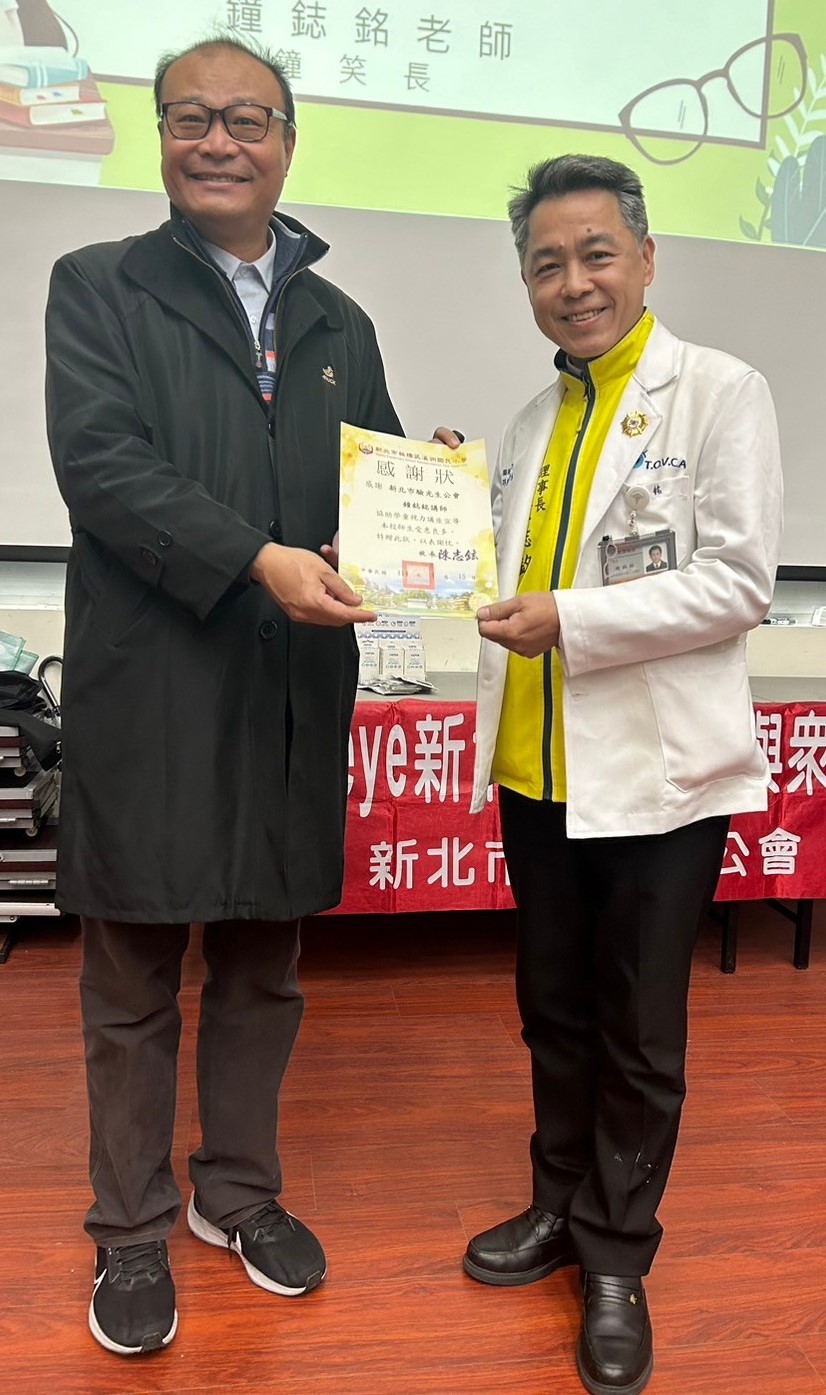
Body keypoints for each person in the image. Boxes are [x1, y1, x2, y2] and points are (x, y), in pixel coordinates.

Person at [45, 34, 408, 1358]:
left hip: (287, 687)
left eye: (247, 120)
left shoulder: (338, 321)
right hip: (152, 683)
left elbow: (366, 479)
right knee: (133, 974)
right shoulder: (98, 284)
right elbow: (102, 467)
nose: (218, 141)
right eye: (190, 117)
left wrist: (412, 499)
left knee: (264, 963)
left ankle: (236, 1193)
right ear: (158, 138)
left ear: (287, 143)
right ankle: (131, 1224)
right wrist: (255, 557)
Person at [465, 155, 781, 1395]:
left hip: (656, 777)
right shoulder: (526, 426)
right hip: (537, 770)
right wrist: (434, 507)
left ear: (645, 260)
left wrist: (572, 622)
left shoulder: (717, 391)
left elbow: (737, 582)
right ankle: (557, 1203)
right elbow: (497, 578)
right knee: (551, 1009)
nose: (573, 282)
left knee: (639, 1029)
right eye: (546, 263)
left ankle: (615, 1254)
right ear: (525, 283)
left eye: (595, 254)